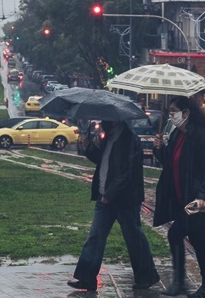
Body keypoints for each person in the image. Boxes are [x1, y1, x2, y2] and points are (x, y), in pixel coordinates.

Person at [67, 120, 160, 292]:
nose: (103, 122)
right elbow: (101, 160)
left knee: (134, 238)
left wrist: (110, 193)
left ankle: (146, 277)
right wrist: (88, 146)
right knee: (95, 237)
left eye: (107, 119)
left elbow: (127, 172)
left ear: (117, 120)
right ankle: (87, 279)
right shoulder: (108, 138)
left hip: (125, 200)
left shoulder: (130, 139)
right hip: (105, 199)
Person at [152, 96, 205, 298]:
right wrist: (159, 148)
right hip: (181, 198)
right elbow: (169, 162)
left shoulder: (201, 136)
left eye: (174, 111)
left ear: (186, 113)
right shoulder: (177, 135)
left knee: (175, 234)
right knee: (198, 240)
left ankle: (180, 283)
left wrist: (202, 197)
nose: (170, 115)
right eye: (169, 111)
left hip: (195, 201)